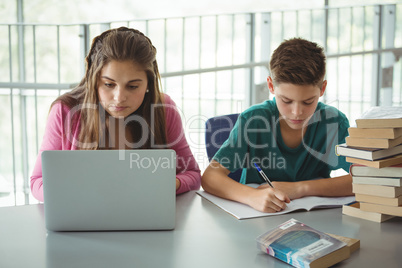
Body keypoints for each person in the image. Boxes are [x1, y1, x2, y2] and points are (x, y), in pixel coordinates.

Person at [30, 27, 201, 202]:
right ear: (93, 80)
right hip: (83, 216)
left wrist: (165, 184)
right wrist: (73, 194)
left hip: (144, 214)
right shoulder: (65, 111)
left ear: (148, 84)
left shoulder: (163, 108)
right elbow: (37, 182)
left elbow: (193, 175)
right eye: (109, 84)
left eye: (133, 86)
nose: (119, 98)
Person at [201, 38, 353, 213]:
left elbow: (368, 178)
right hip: (258, 218)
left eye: (308, 101)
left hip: (316, 219)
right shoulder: (253, 120)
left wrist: (300, 189)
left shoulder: (333, 122)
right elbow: (210, 177)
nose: (297, 112)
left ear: (322, 89)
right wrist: (251, 196)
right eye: (286, 100)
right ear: (271, 86)